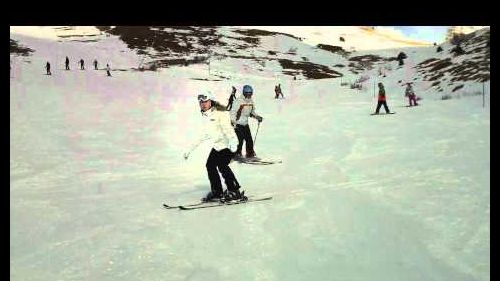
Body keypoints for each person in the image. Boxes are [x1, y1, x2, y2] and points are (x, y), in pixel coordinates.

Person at [183, 93, 246, 202]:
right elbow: (203, 135)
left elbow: (228, 130)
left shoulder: (220, 114)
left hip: (228, 144)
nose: (203, 104)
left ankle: (235, 191)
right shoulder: (205, 116)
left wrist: (233, 143)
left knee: (222, 165)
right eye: (201, 102)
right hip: (218, 146)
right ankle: (217, 191)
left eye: (205, 101)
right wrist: (189, 150)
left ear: (211, 101)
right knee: (210, 165)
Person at [230, 85, 263, 159]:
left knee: (249, 140)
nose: (249, 95)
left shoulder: (251, 102)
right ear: (244, 93)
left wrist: (257, 117)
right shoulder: (238, 101)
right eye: (247, 94)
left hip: (245, 123)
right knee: (240, 139)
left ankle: (250, 154)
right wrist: (232, 121)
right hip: (237, 123)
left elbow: (251, 112)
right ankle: (237, 154)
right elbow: (233, 112)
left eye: (250, 94)